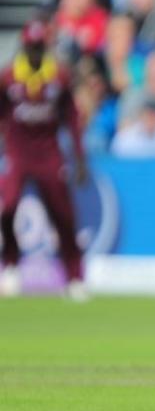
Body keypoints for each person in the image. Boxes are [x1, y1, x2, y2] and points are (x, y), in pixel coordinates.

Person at [0, 20, 89, 301]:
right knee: (8, 208)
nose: (36, 53)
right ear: (24, 47)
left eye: (40, 47)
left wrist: (79, 159)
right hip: (18, 152)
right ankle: (11, 266)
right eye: (31, 47)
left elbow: (72, 120)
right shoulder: (8, 78)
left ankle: (74, 277)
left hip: (50, 154)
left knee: (63, 216)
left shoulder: (59, 77)